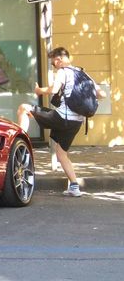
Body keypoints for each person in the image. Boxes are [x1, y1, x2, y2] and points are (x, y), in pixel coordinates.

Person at [16, 47, 106, 197]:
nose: (54, 66)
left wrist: (40, 91)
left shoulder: (63, 72)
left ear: (58, 60)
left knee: (23, 108)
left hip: (61, 117)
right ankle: (75, 186)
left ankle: (17, 144)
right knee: (61, 153)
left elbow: (54, 89)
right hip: (76, 122)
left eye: (53, 63)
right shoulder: (84, 74)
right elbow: (101, 94)